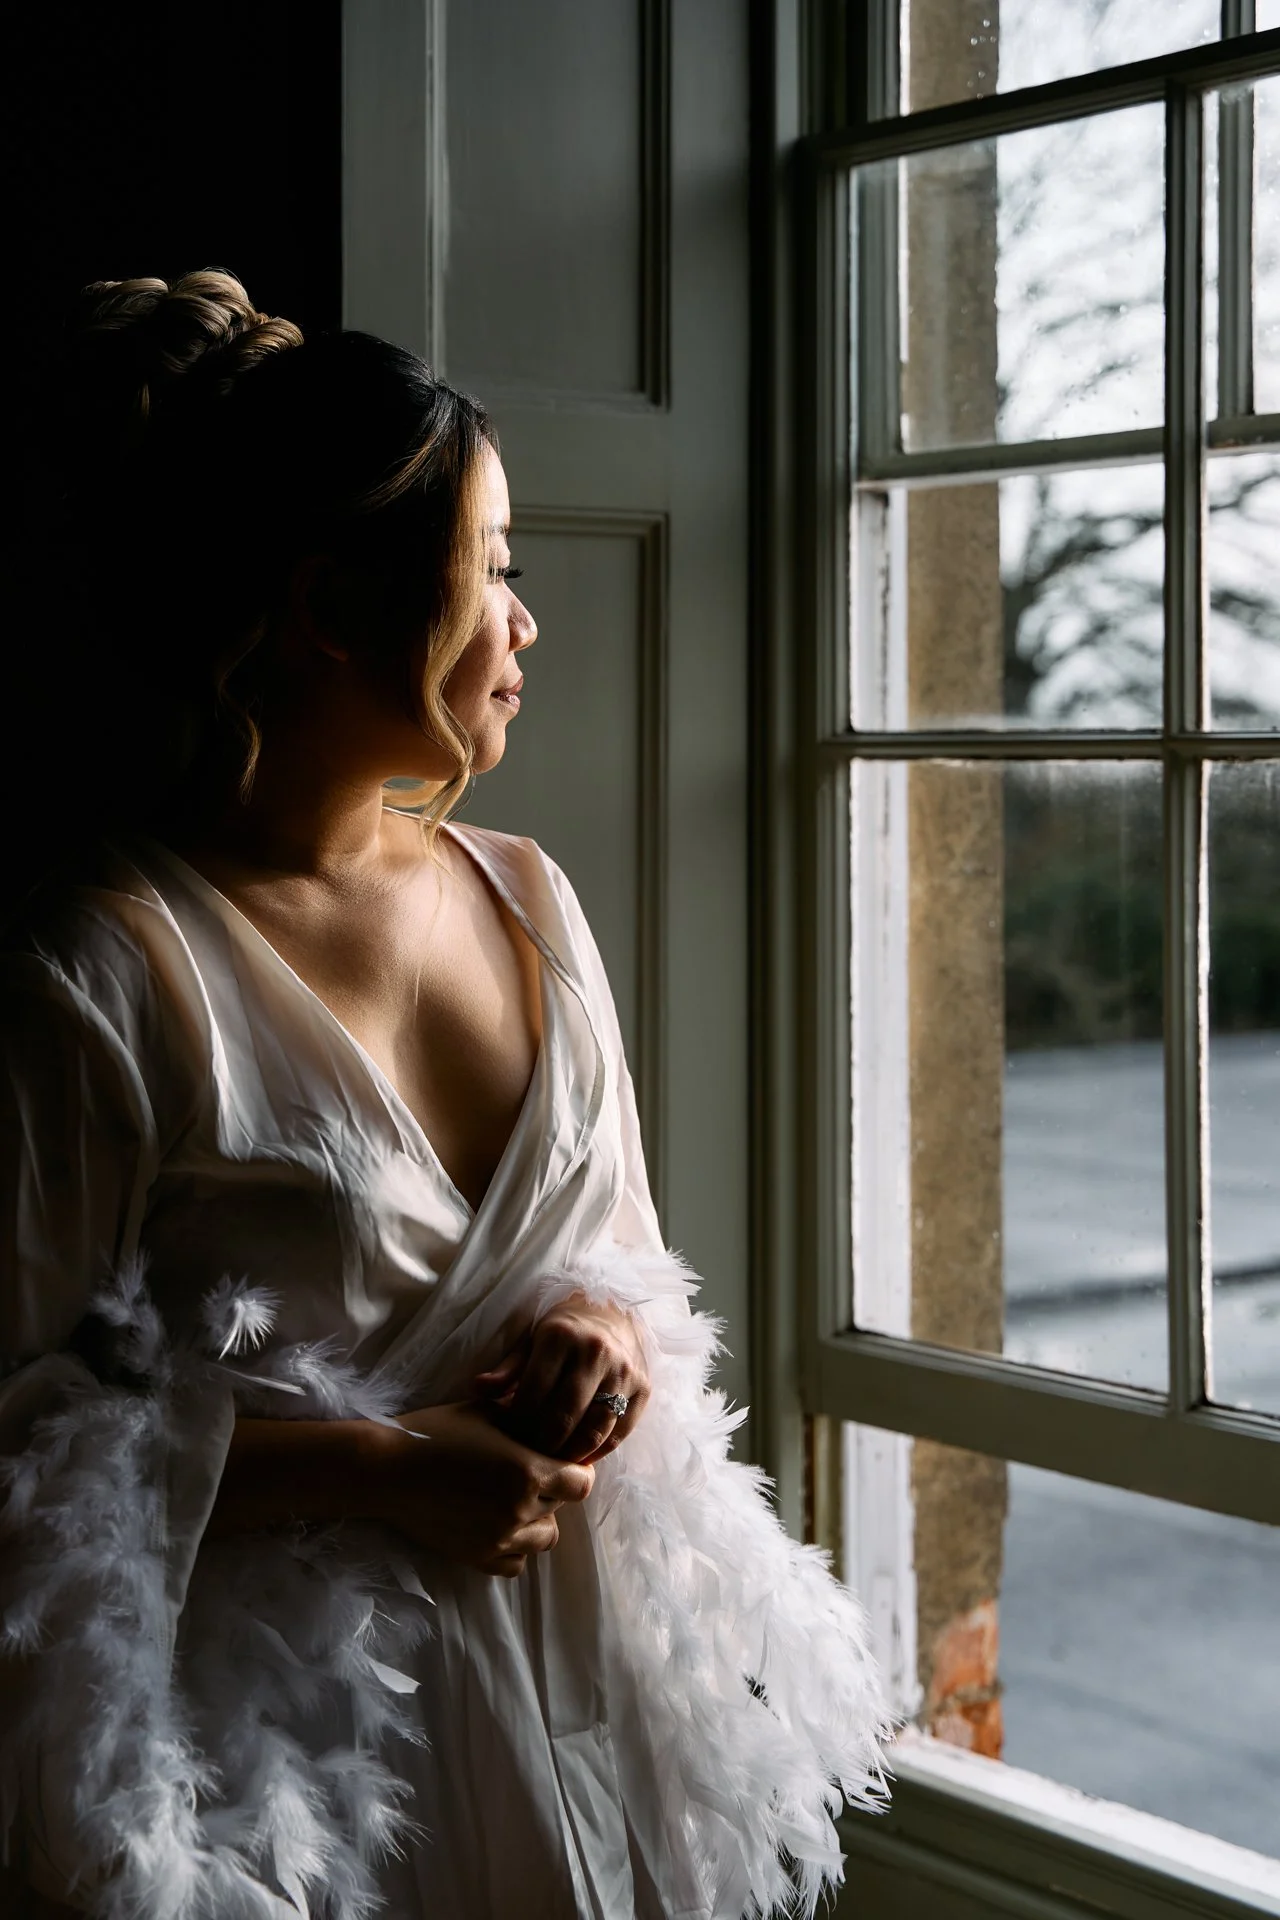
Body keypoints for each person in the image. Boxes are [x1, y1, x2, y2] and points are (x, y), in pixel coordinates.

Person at [0, 270, 889, 1920]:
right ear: (333, 605)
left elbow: (628, 1261)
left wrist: (605, 1343)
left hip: (581, 1712)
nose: (526, 621)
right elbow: (23, 1450)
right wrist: (382, 1467)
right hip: (286, 1789)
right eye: (494, 570)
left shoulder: (529, 899)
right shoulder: (105, 972)